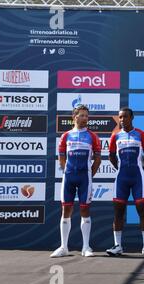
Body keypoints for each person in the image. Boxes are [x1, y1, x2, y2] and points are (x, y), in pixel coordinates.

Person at [51, 104, 101, 258]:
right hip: (69, 177)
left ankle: (86, 247)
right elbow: (61, 157)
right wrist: (67, 170)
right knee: (66, 210)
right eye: (82, 115)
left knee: (85, 210)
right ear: (74, 117)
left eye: (87, 115)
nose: (85, 118)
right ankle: (64, 247)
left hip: (85, 178)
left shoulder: (92, 136)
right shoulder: (66, 136)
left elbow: (97, 160)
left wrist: (89, 174)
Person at [105, 107, 144, 256]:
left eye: (125, 117)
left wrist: (140, 168)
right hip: (121, 178)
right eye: (120, 117)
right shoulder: (115, 135)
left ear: (131, 118)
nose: (122, 120)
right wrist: (120, 169)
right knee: (118, 213)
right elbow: (111, 156)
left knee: (142, 212)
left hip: (137, 178)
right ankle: (117, 246)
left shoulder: (140, 134)